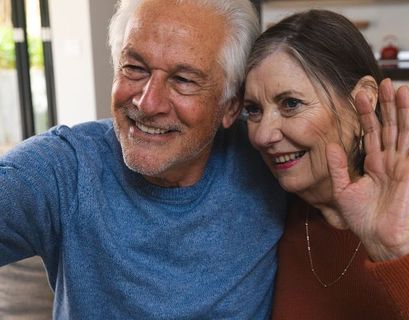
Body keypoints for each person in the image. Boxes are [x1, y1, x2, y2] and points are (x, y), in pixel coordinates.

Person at [0, 0, 286, 318]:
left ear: (230, 106)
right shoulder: (66, 168)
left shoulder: (271, 158)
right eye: (135, 68)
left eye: (183, 80)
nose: (148, 103)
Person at [243, 9, 409, 319]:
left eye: (291, 104)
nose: (262, 135)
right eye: (253, 110)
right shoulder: (277, 207)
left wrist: (398, 252)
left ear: (361, 101)